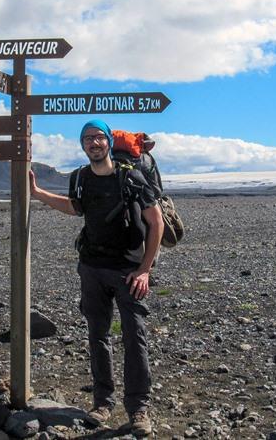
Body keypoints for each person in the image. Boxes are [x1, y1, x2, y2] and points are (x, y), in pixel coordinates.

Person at [29, 119, 163, 437]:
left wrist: (145, 269)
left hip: (129, 271)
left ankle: (138, 410)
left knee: (135, 338)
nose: (94, 143)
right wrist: (37, 193)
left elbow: (155, 222)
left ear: (107, 141)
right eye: (87, 139)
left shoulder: (130, 177)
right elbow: (75, 208)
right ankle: (102, 404)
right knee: (98, 336)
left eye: (99, 137)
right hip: (91, 268)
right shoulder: (80, 178)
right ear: (83, 144)